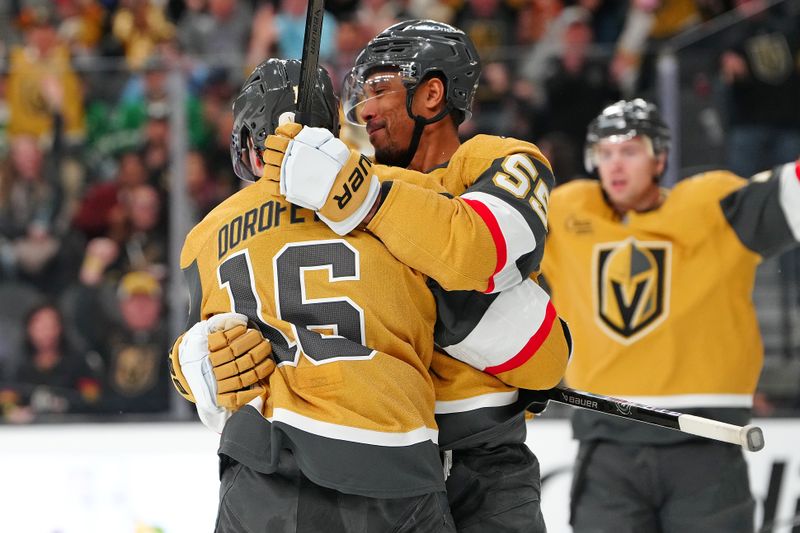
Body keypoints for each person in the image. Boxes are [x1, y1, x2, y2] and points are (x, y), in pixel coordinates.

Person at [266, 20, 572, 532]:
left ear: (432, 94)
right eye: (360, 94)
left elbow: (483, 252)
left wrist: (358, 195)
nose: (364, 110)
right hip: (381, 460)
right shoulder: (348, 180)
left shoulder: (502, 158)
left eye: (380, 90)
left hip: (484, 461)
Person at [168, 58, 456, 532]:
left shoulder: (207, 233)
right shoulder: (398, 192)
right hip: (395, 457)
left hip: (267, 469)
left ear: (252, 141)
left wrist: (186, 367)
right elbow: (468, 309)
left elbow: (200, 356)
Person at [540, 98, 800, 532]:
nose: (615, 164)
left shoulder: (712, 207)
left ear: (660, 158)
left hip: (706, 447)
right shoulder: (567, 214)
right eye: (605, 153)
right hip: (606, 448)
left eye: (629, 150)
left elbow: (790, 191)